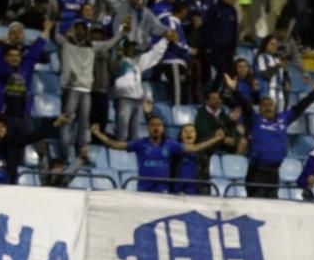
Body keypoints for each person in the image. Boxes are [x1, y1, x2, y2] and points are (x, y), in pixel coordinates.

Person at [225, 73, 314, 198]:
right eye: (264, 105)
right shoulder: (255, 119)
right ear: (260, 109)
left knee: (272, 203)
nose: (268, 107)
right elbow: (245, 105)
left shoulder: (283, 119)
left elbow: (300, 107)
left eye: (270, 104)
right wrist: (234, 91)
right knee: (256, 203)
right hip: (257, 172)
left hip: (274, 173)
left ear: (275, 107)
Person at [55, 19, 130, 160]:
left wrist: (122, 32)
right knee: (67, 123)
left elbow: (111, 42)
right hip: (70, 89)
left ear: (86, 32)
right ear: (73, 30)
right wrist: (56, 22)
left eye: (83, 29)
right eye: (77, 28)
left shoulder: (92, 47)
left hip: (86, 90)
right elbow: (55, 36)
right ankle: (64, 157)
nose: (80, 31)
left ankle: (81, 156)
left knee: (84, 126)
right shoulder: (66, 44)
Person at [90, 116, 223, 193]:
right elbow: (115, 145)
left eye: (159, 125)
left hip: (163, 192)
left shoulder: (171, 145)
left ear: (163, 128)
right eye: (153, 125)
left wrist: (216, 139)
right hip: (144, 191)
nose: (156, 127)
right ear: (148, 128)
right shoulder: (140, 144)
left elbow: (195, 148)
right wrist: (98, 134)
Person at [0, 114, 69, 184]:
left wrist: (54, 125)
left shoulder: (13, 143)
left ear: (6, 130)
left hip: (7, 188)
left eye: (2, 126)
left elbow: (34, 136)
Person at [0, 20, 51, 137]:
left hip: (23, 116)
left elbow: (36, 48)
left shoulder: (26, 66)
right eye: (11, 56)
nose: (15, 58)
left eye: (17, 56)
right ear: (6, 58)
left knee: (22, 145)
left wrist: (46, 30)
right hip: (3, 115)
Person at [113, 32, 173, 141]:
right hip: (124, 99)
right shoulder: (119, 61)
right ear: (125, 48)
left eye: (135, 48)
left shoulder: (138, 63)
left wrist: (165, 40)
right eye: (130, 47)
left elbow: (154, 54)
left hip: (137, 100)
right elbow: (118, 49)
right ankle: (117, 151)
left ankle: (132, 152)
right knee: (122, 134)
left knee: (134, 136)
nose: (133, 50)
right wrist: (123, 32)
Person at [171, 123, 227, 194]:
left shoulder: (204, 152)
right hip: (177, 192)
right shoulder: (174, 150)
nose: (189, 133)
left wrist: (219, 135)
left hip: (198, 192)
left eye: (192, 131)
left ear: (196, 135)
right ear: (180, 135)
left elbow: (215, 144)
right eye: (185, 131)